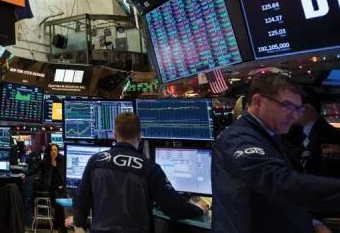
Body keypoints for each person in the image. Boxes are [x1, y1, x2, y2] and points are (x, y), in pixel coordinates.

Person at [212, 74, 340, 233]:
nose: (294, 116)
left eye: (298, 109)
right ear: (258, 101)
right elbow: (281, 184)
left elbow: (285, 198)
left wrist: (313, 223)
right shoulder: (237, 139)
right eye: (287, 106)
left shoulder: (271, 135)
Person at [73, 113, 206, 233]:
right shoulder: (149, 168)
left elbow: (81, 199)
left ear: (114, 135)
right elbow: (173, 207)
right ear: (139, 136)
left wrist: (79, 224)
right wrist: (199, 209)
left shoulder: (95, 161)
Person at [284, 89, 340, 178]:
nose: (288, 114)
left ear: (307, 108)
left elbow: (320, 174)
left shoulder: (325, 136)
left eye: (293, 108)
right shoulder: (307, 130)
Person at [34, 143, 68, 233]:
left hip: (60, 187)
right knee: (59, 202)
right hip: (49, 188)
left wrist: (63, 184)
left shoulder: (62, 161)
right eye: (52, 150)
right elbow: (34, 170)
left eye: (56, 150)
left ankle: (56, 227)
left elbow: (64, 175)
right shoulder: (45, 162)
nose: (54, 152)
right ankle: (63, 228)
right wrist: (25, 173)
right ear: (49, 152)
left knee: (59, 202)